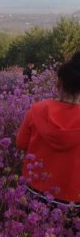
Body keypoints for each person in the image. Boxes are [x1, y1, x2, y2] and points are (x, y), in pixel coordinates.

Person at [16, 52, 80, 206]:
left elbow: (20, 143)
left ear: (58, 83)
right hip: (73, 202)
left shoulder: (38, 109)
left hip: (33, 192)